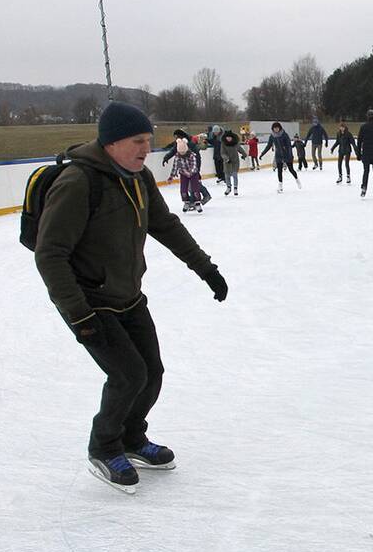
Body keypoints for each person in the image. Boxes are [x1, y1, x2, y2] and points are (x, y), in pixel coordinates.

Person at [33, 101, 228, 493]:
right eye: (138, 141)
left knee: (151, 372)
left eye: (149, 140)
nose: (146, 148)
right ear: (112, 142)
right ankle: (104, 446)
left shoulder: (138, 179)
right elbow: (50, 255)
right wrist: (79, 315)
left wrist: (205, 268)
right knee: (127, 375)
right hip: (90, 302)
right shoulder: (78, 183)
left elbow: (166, 226)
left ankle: (131, 438)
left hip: (129, 295)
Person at [259, 122, 301, 193]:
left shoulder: (284, 135)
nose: (276, 129)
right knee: (279, 170)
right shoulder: (272, 136)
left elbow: (289, 146)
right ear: (273, 129)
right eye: (275, 128)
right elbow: (268, 146)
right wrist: (262, 154)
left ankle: (297, 180)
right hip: (278, 155)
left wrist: (290, 155)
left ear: (280, 128)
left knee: (291, 169)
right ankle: (280, 186)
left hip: (287, 154)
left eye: (277, 128)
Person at [169, 138, 204, 212]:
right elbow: (175, 166)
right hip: (183, 174)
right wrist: (171, 176)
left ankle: (197, 203)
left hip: (193, 174)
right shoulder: (177, 157)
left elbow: (194, 165)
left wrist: (190, 173)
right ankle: (186, 202)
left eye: (183, 152)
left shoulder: (191, 155)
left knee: (195, 189)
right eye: (180, 152)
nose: (182, 154)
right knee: (183, 190)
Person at [219, 130, 247, 196]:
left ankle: (235, 188)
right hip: (227, 162)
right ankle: (228, 187)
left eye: (230, 137)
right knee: (227, 175)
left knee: (235, 175)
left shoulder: (235, 143)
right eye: (227, 137)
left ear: (232, 137)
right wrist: (227, 159)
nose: (228, 139)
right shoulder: (223, 144)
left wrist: (244, 155)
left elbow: (240, 149)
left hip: (235, 162)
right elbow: (222, 153)